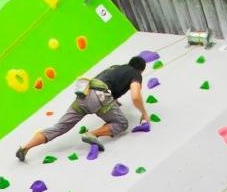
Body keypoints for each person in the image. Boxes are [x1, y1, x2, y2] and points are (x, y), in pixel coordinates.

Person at [13, 56, 148, 161]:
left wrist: (115, 101)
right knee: (122, 123)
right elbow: (135, 96)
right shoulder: (135, 74)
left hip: (83, 95)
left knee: (59, 127)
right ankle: (92, 134)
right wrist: (144, 114)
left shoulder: (114, 68)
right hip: (100, 98)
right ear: (141, 69)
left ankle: (25, 147)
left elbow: (105, 82)